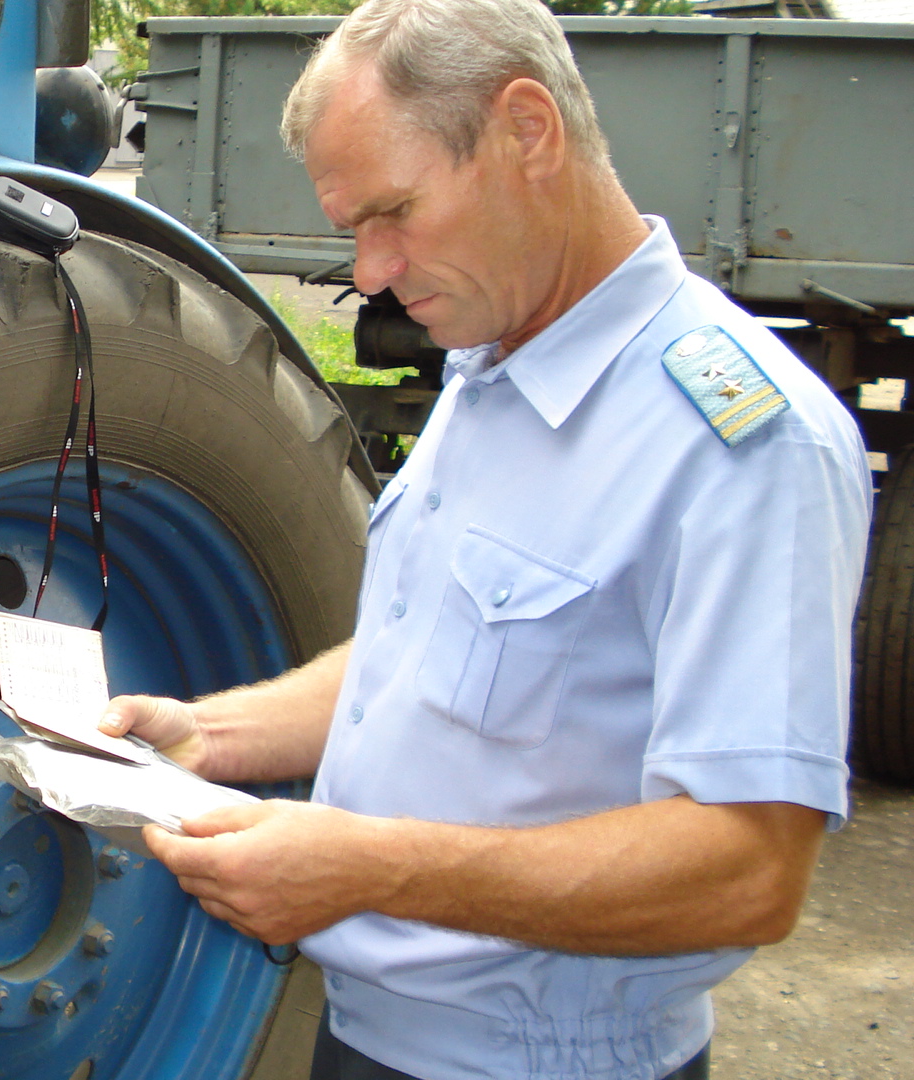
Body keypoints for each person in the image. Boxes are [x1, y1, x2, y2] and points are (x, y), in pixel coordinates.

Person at [99, 1, 871, 1078]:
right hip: (367, 1037)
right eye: (352, 228)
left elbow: (748, 869)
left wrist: (367, 868)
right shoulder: (495, 358)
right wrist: (211, 737)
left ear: (526, 131)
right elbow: (428, 661)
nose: (369, 271)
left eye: (395, 213)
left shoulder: (743, 445)